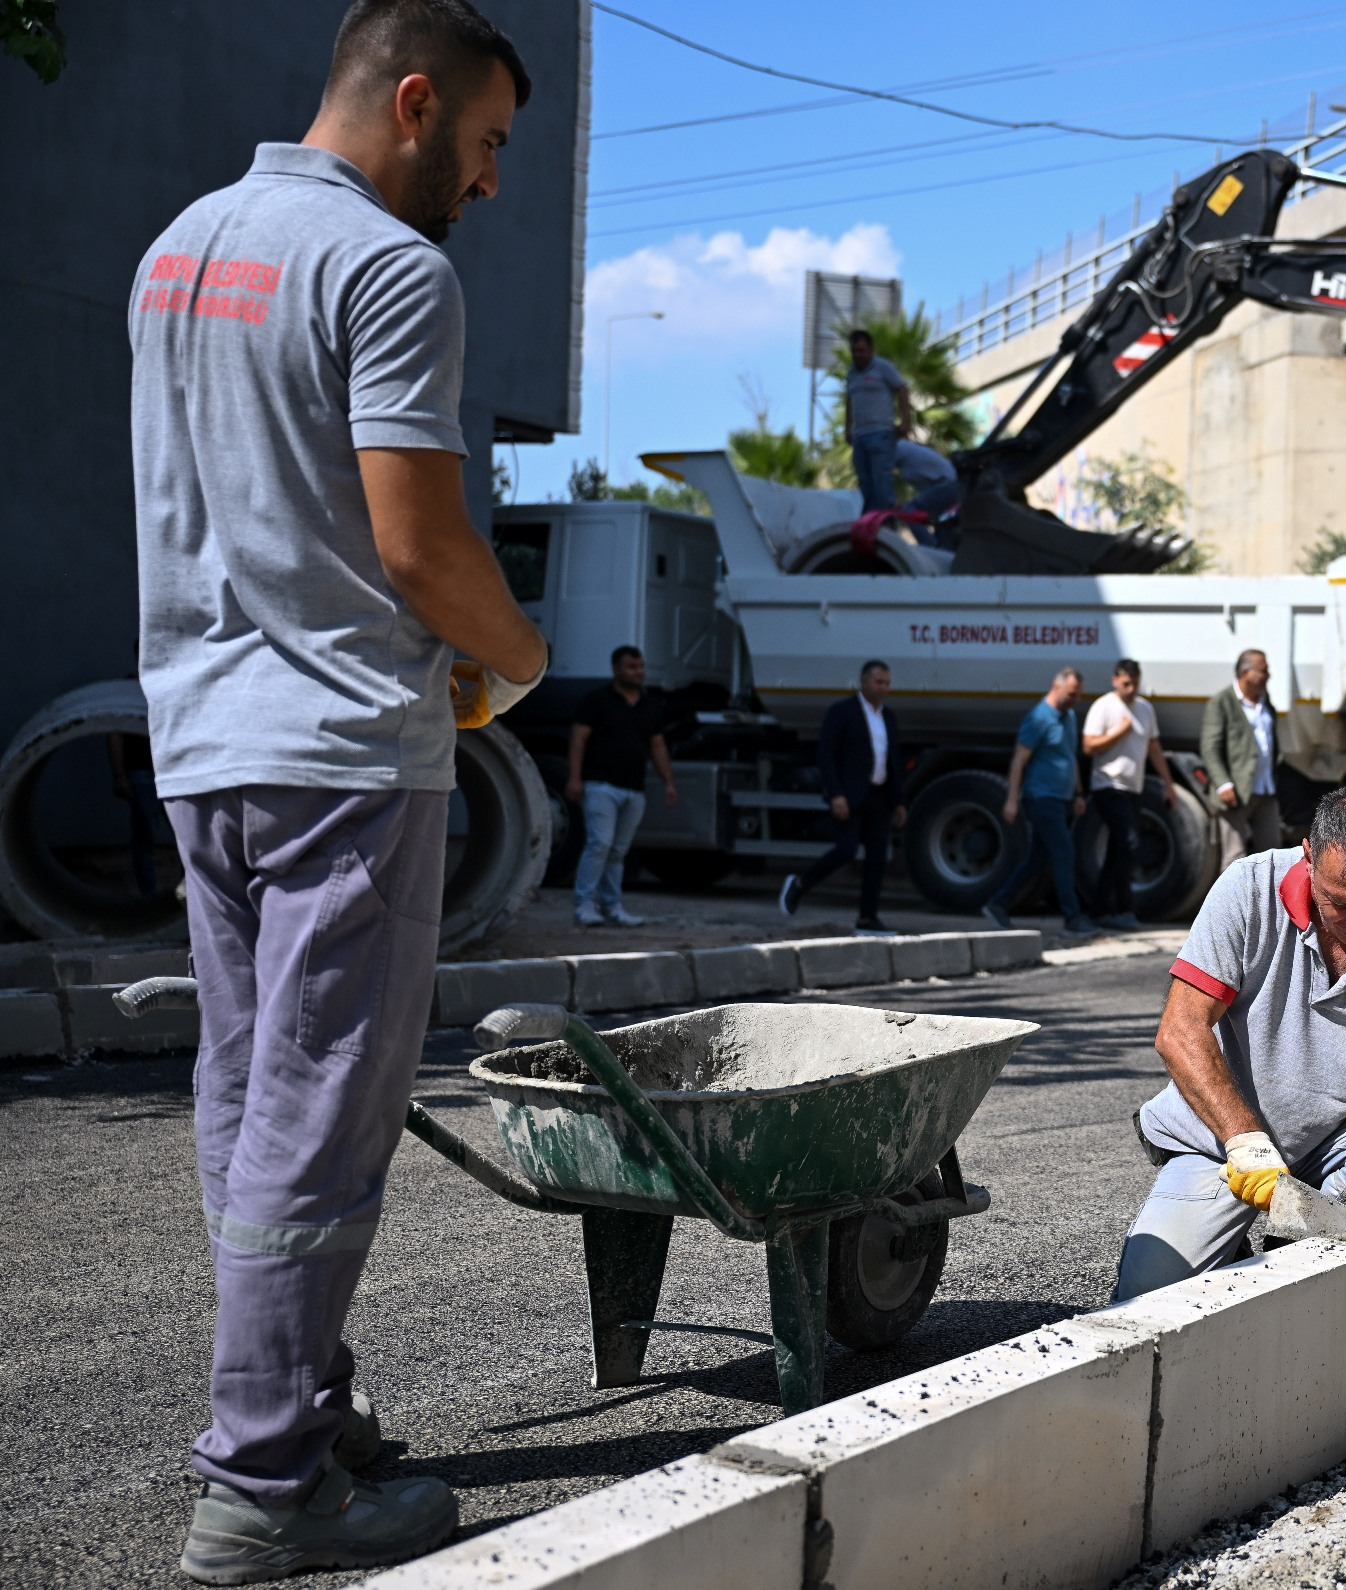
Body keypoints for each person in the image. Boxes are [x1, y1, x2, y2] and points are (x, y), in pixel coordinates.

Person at [129, 1, 546, 1577]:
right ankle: (262, 1482)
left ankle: (296, 1398)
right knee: (323, 1108)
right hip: (342, 756)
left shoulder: (179, 247)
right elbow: (418, 545)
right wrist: (523, 653)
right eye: (492, 142)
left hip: (203, 742)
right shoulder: (388, 268)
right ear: (417, 102)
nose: (492, 180)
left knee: (246, 1093)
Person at [1111, 786, 1346, 1301]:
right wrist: (1245, 1142)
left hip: (1331, 1133)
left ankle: (1293, 1262)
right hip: (1221, 1142)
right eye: (1339, 902)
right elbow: (1180, 1030)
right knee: (1147, 1297)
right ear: (1309, 854)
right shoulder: (1249, 888)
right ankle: (1240, 1246)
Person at [779, 658, 906, 934]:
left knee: (877, 857)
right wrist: (835, 793)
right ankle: (800, 884)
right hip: (850, 796)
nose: (883, 688)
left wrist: (897, 801)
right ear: (863, 682)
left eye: (887, 683)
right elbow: (826, 755)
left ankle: (867, 918)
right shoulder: (842, 712)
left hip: (880, 796)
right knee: (846, 849)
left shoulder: (888, 717)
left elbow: (892, 759)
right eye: (878, 682)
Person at [566, 645, 677, 928]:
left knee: (618, 851)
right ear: (616, 668)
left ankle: (613, 906)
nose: (638, 672)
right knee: (600, 843)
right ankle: (584, 903)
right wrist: (575, 778)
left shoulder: (650, 706)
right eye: (631, 667)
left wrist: (669, 783)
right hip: (601, 784)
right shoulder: (596, 701)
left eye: (640, 667)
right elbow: (578, 739)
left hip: (634, 789)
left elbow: (657, 745)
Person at [984, 667, 1098, 939]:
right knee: (1064, 852)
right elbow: (1018, 760)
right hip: (1040, 798)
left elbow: (1070, 759)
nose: (1075, 700)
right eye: (1071, 694)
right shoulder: (1038, 718)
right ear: (1055, 686)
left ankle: (998, 904)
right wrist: (1011, 800)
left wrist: (1079, 794)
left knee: (1037, 859)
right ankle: (1072, 918)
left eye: (1078, 695)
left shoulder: (1068, 716)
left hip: (1061, 800)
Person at [1081, 658, 1174, 932]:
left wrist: (1168, 783)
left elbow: (1154, 748)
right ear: (1115, 680)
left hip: (1133, 788)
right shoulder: (1104, 706)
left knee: (1118, 849)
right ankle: (1122, 909)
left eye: (1134, 683)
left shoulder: (1145, 708)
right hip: (1107, 785)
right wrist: (1118, 732)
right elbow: (1088, 746)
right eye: (1125, 683)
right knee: (1129, 843)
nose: (1130, 689)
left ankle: (1099, 910)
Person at [1200, 649, 1282, 859]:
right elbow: (1210, 746)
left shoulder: (1265, 702)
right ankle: (1231, 894)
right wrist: (1223, 783)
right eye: (1263, 670)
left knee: (1272, 853)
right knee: (1234, 858)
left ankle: (1265, 894)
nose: (1268, 675)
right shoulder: (1222, 702)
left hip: (1265, 789)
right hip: (1236, 792)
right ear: (1246, 673)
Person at [843, 328, 912, 514]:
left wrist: (906, 421)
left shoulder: (883, 367)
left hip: (881, 434)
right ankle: (867, 528)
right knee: (865, 486)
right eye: (854, 351)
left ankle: (886, 530)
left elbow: (902, 390)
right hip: (859, 436)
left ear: (871, 349)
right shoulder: (851, 373)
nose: (858, 355)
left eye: (862, 351)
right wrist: (847, 428)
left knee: (882, 485)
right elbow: (849, 400)